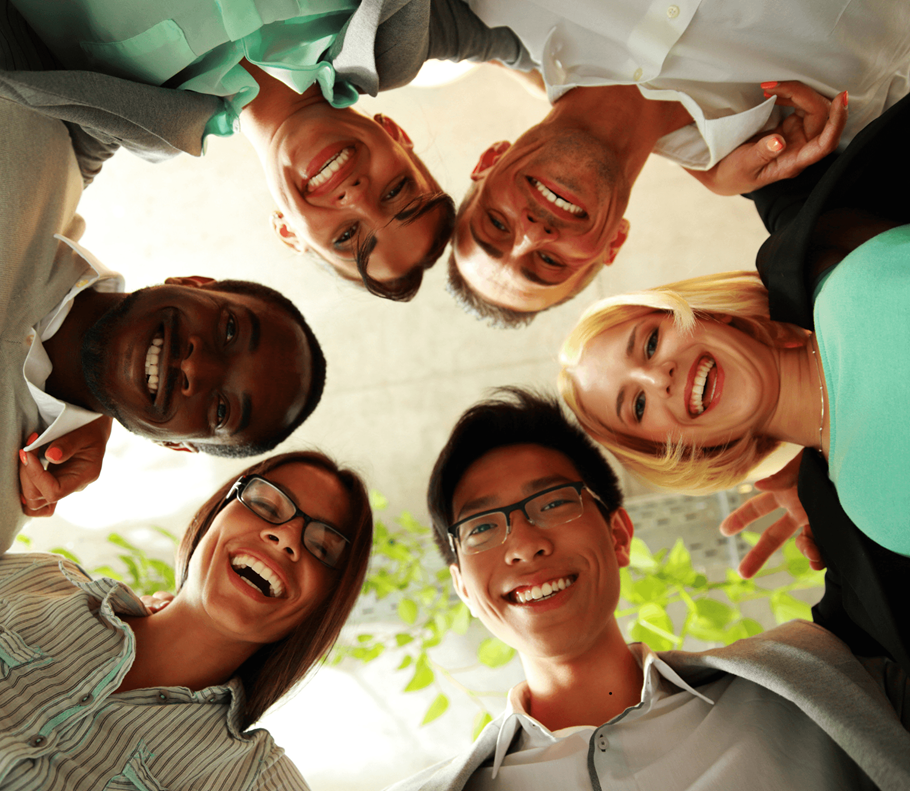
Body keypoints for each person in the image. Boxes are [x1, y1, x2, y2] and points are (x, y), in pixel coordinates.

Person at [0, 16, 324, 611]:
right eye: (227, 329)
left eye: (220, 407)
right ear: (193, 282)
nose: (199, 366)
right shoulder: (35, 141)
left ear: (178, 446)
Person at [387, 387, 910, 791]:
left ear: (617, 536)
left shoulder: (814, 675)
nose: (524, 544)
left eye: (551, 503)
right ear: (462, 587)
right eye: (481, 528)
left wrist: (841, 493)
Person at [0, 0, 526, 300]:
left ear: (287, 232)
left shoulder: (132, 120)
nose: (358, 196)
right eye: (398, 191)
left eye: (347, 237)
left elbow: (7, 243)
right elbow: (542, 46)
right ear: (398, 135)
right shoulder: (394, 31)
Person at [0, 450, 374, 790]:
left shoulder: (250, 780)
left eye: (322, 548)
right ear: (214, 516)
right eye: (266, 505)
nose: (286, 538)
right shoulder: (32, 581)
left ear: (321, 608)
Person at [449, 0, 910, 327]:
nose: (533, 233)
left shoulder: (501, 8)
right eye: (548, 261)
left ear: (489, 160)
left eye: (496, 225)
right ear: (613, 244)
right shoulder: (822, 130)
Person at [559, 253, 910, 669]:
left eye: (651, 343)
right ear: (672, 449)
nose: (660, 378)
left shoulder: (859, 288)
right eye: (637, 405)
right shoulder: (869, 510)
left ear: (705, 315)